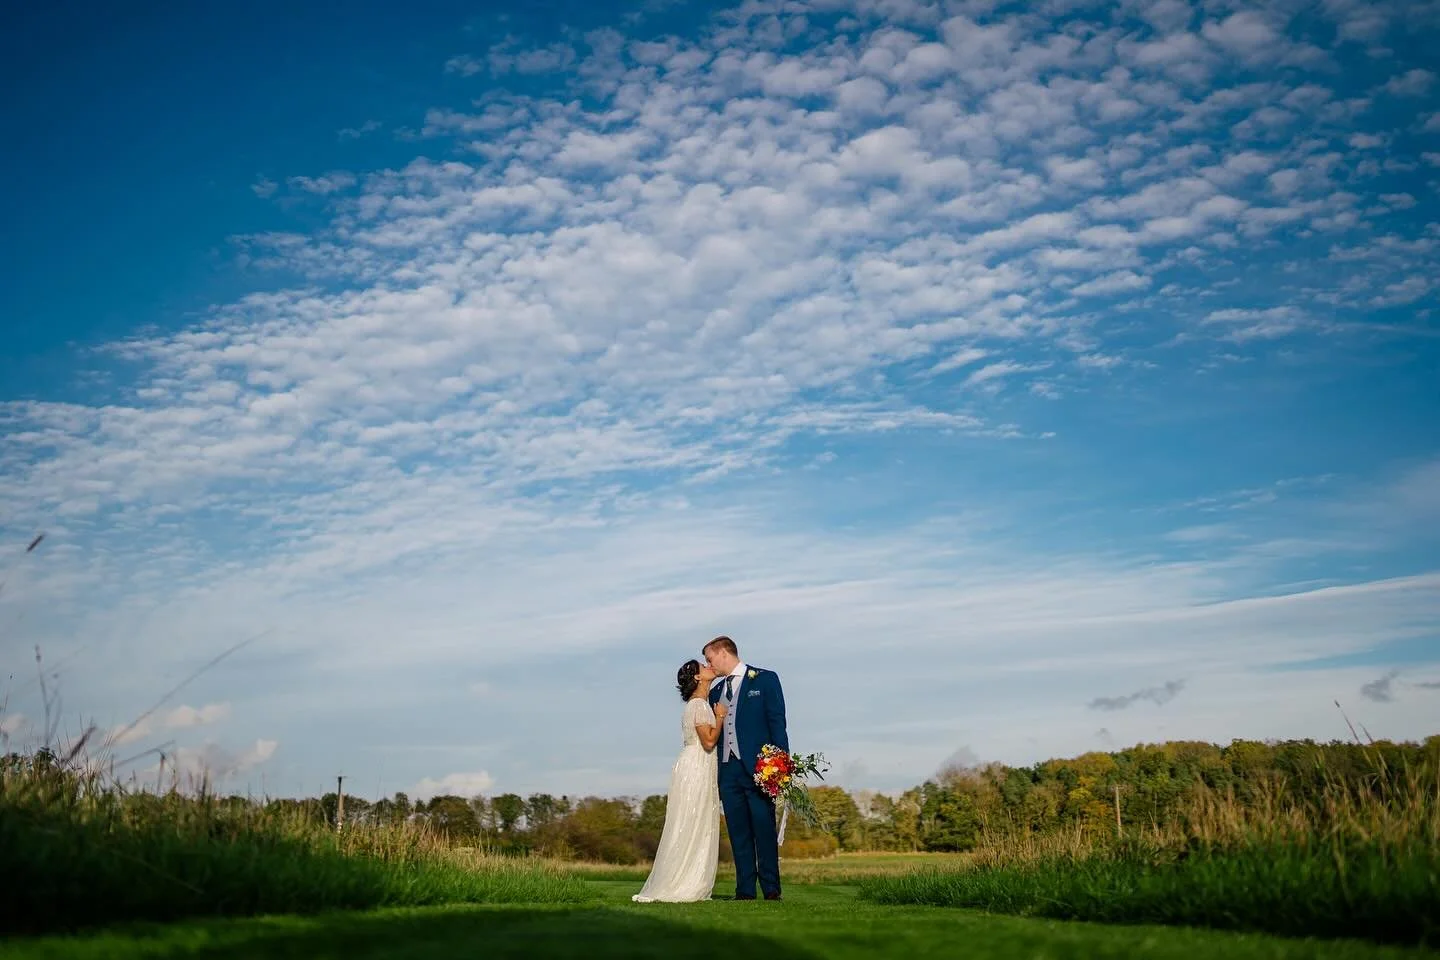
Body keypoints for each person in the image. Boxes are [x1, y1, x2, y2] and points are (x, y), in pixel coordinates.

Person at [631, 659, 726, 902]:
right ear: (697, 678)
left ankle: (688, 878)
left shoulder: (697, 705)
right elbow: (708, 742)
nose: (708, 668)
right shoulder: (700, 706)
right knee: (692, 820)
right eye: (703, 668)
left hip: (695, 765)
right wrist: (721, 718)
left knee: (691, 820)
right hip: (696, 766)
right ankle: (685, 882)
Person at [704, 635, 789, 901]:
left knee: (764, 830)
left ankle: (772, 890)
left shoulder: (765, 679)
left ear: (723, 653)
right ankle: (745, 891)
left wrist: (781, 765)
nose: (709, 664)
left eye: (710, 658)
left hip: (760, 769)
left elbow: (777, 723)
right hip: (728, 771)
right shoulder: (716, 692)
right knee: (738, 833)